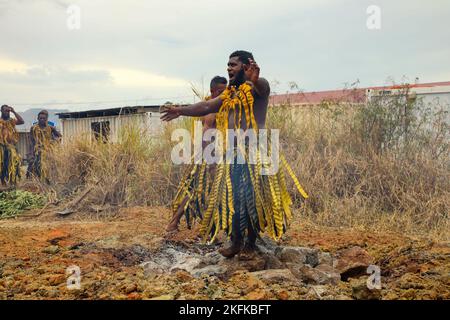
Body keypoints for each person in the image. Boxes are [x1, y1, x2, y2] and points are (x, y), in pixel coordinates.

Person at [161, 51, 308, 258]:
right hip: (231, 153)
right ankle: (236, 241)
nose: (229, 68)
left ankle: (250, 243)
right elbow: (206, 106)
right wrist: (180, 111)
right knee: (233, 199)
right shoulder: (230, 93)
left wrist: (253, 81)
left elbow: (262, 88)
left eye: (234, 65)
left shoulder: (258, 86)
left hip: (255, 152)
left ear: (247, 65)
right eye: (228, 65)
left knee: (252, 198)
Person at [166, 76, 228, 232]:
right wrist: (210, 163)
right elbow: (205, 136)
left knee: (200, 191)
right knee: (194, 189)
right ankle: (174, 224)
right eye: (220, 91)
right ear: (212, 91)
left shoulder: (223, 106)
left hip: (218, 157)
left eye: (225, 91)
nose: (223, 94)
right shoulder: (211, 112)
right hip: (209, 158)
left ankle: (213, 227)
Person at [27, 110, 62, 181]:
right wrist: (31, 153)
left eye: (44, 118)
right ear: (38, 118)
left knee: (48, 167)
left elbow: (60, 136)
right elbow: (31, 141)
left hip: (47, 151)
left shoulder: (50, 128)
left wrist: (54, 143)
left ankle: (47, 182)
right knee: (35, 167)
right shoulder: (33, 128)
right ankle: (35, 182)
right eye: (40, 118)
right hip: (37, 151)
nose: (42, 120)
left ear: (47, 119)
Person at [0, 105, 25, 187]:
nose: (7, 112)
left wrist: (13, 111)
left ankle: (12, 183)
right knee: (2, 166)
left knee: (13, 166)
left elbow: (22, 121)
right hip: (1, 147)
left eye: (8, 111)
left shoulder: (12, 121)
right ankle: (3, 183)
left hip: (11, 147)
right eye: (5, 110)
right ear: (1, 111)